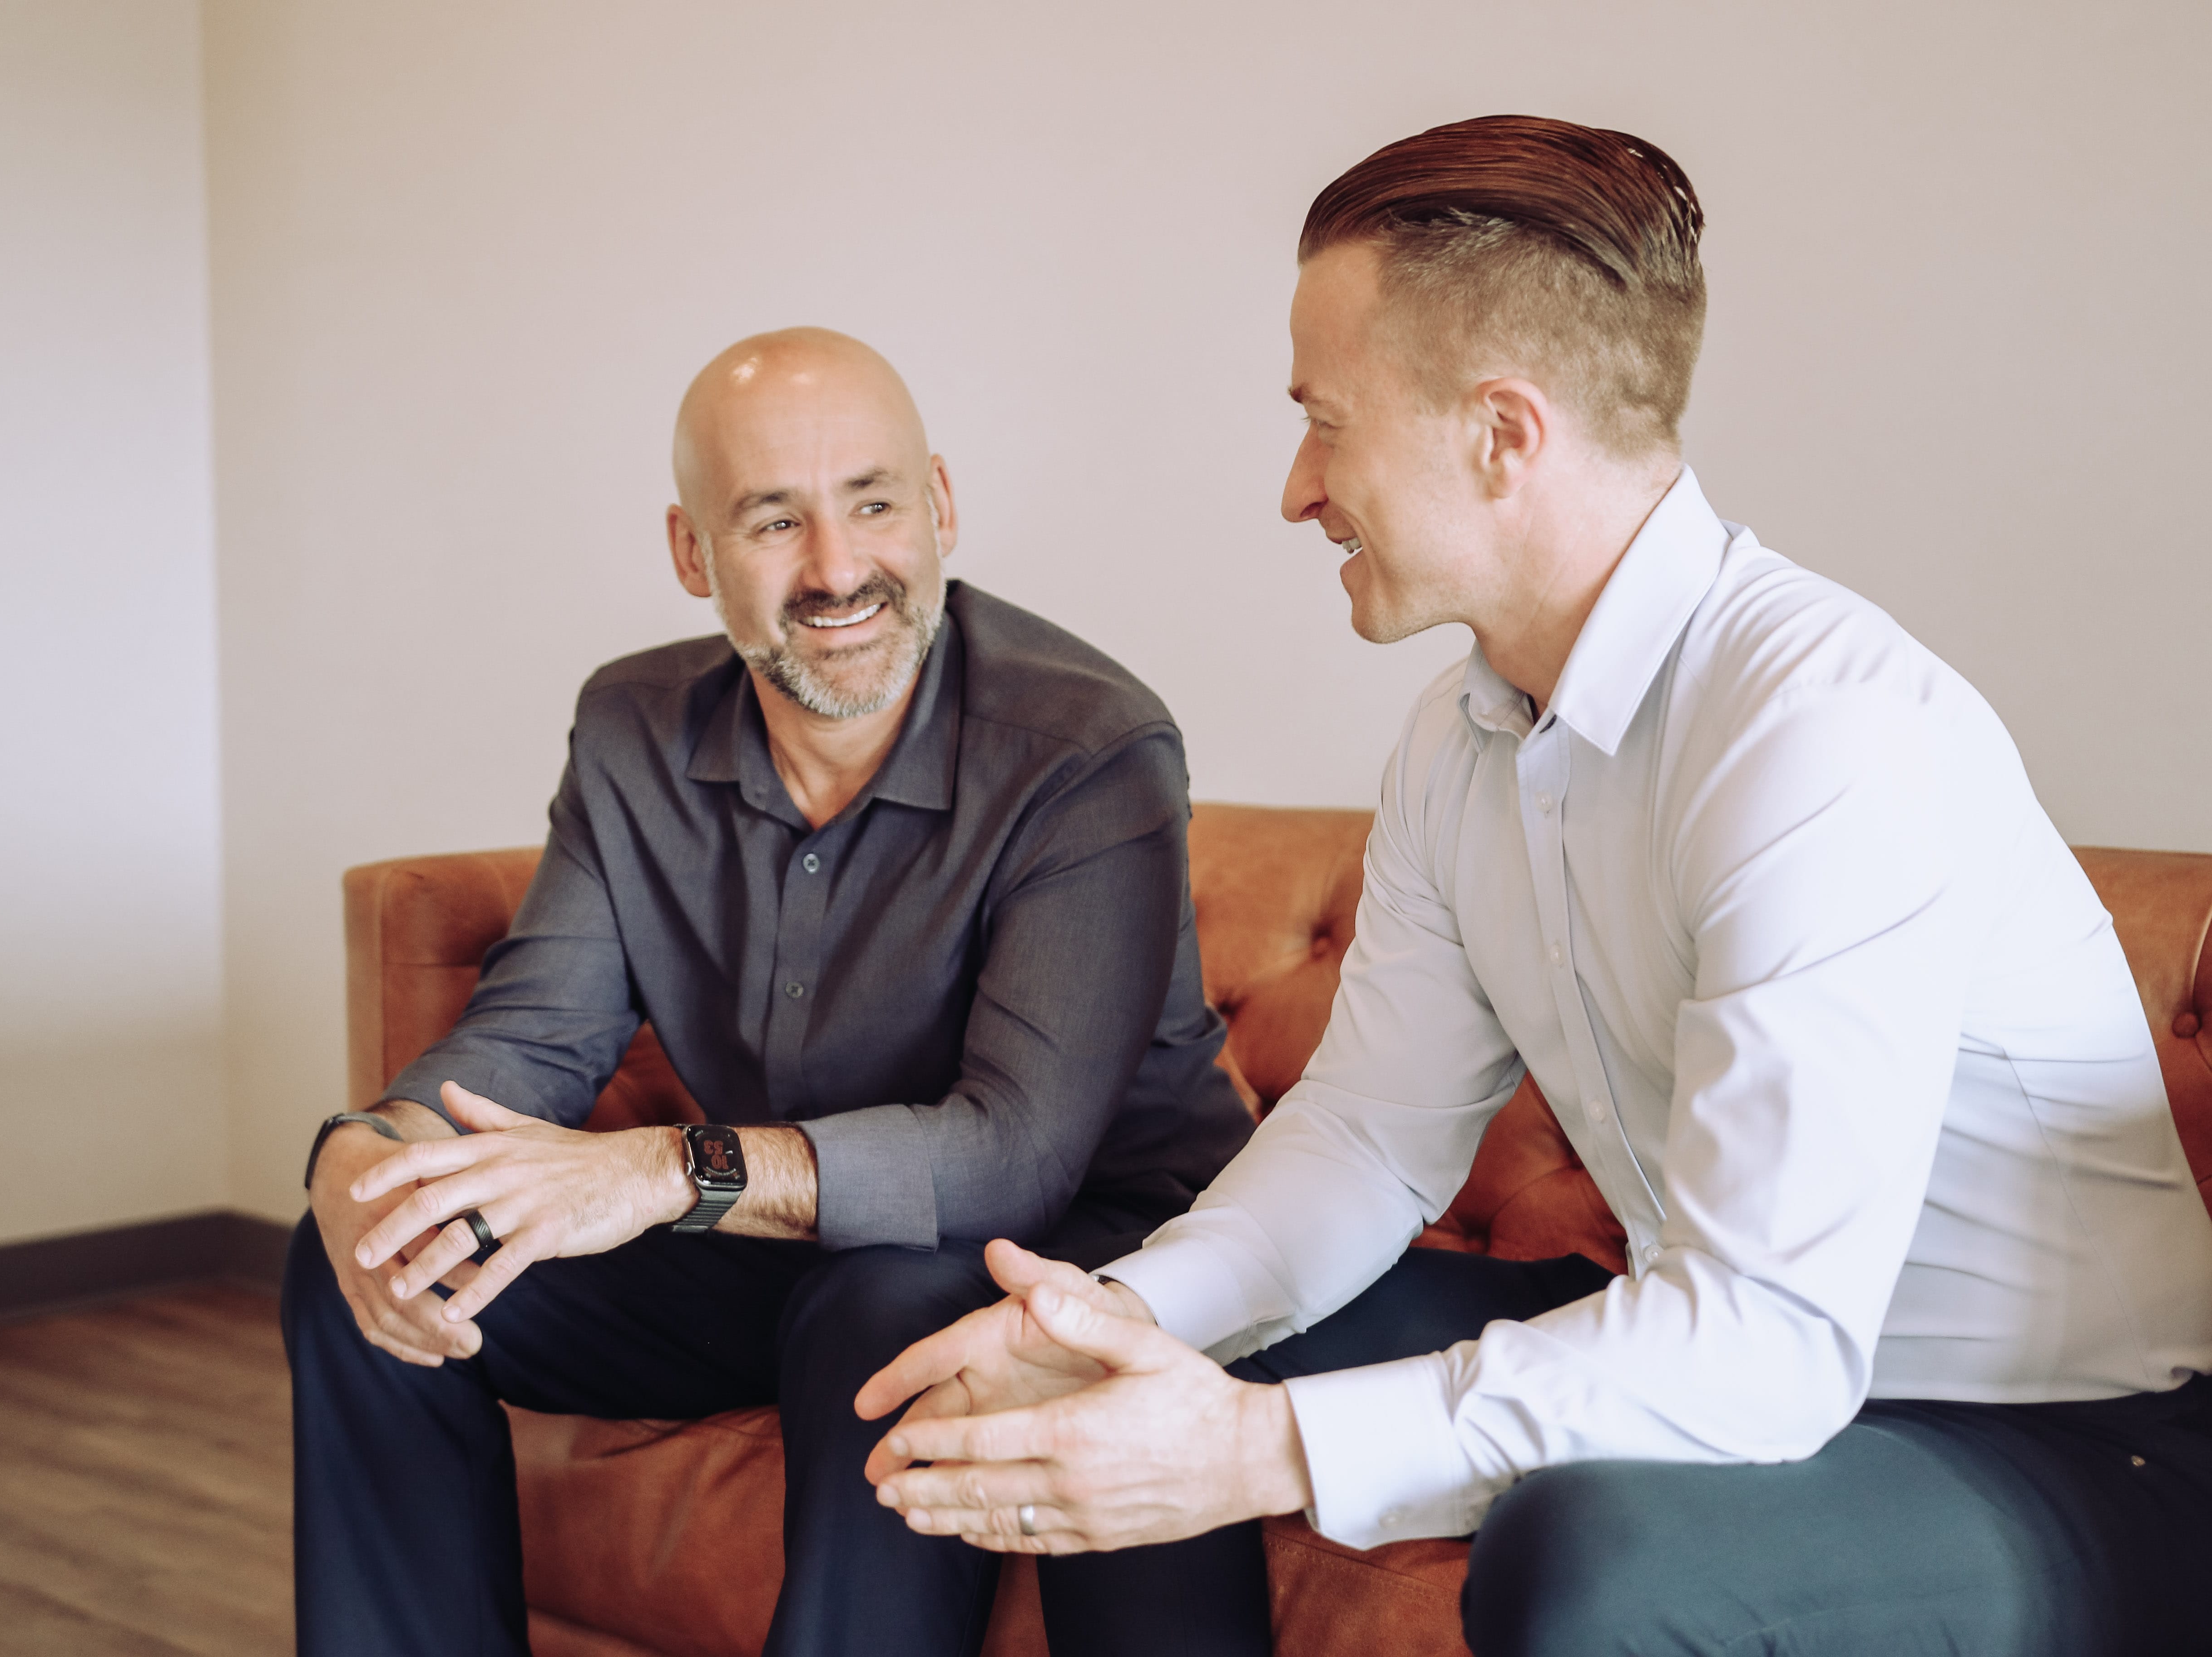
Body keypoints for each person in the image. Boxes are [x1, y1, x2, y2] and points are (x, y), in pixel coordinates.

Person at [859, 117, 2212, 1656]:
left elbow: (1765, 1350)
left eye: (1325, 421)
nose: (1298, 489)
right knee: (1114, 1380)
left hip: (2074, 1441)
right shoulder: (1460, 740)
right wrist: (1131, 1322)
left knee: (1597, 1548)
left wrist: (1250, 1450)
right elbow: (1371, 1140)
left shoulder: (1820, 732)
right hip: (1753, 1376)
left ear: (1503, 431)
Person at [280, 326, 1255, 1657]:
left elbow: (1015, 1157)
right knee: (371, 1255)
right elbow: (531, 1038)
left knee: (878, 1308)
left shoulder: (1087, 747)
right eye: (772, 522)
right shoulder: (632, 729)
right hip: (788, 1246)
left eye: (873, 502)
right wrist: (365, 1158)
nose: (840, 568)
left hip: (1081, 1248)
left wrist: (664, 1172)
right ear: (693, 553)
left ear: (942, 506)